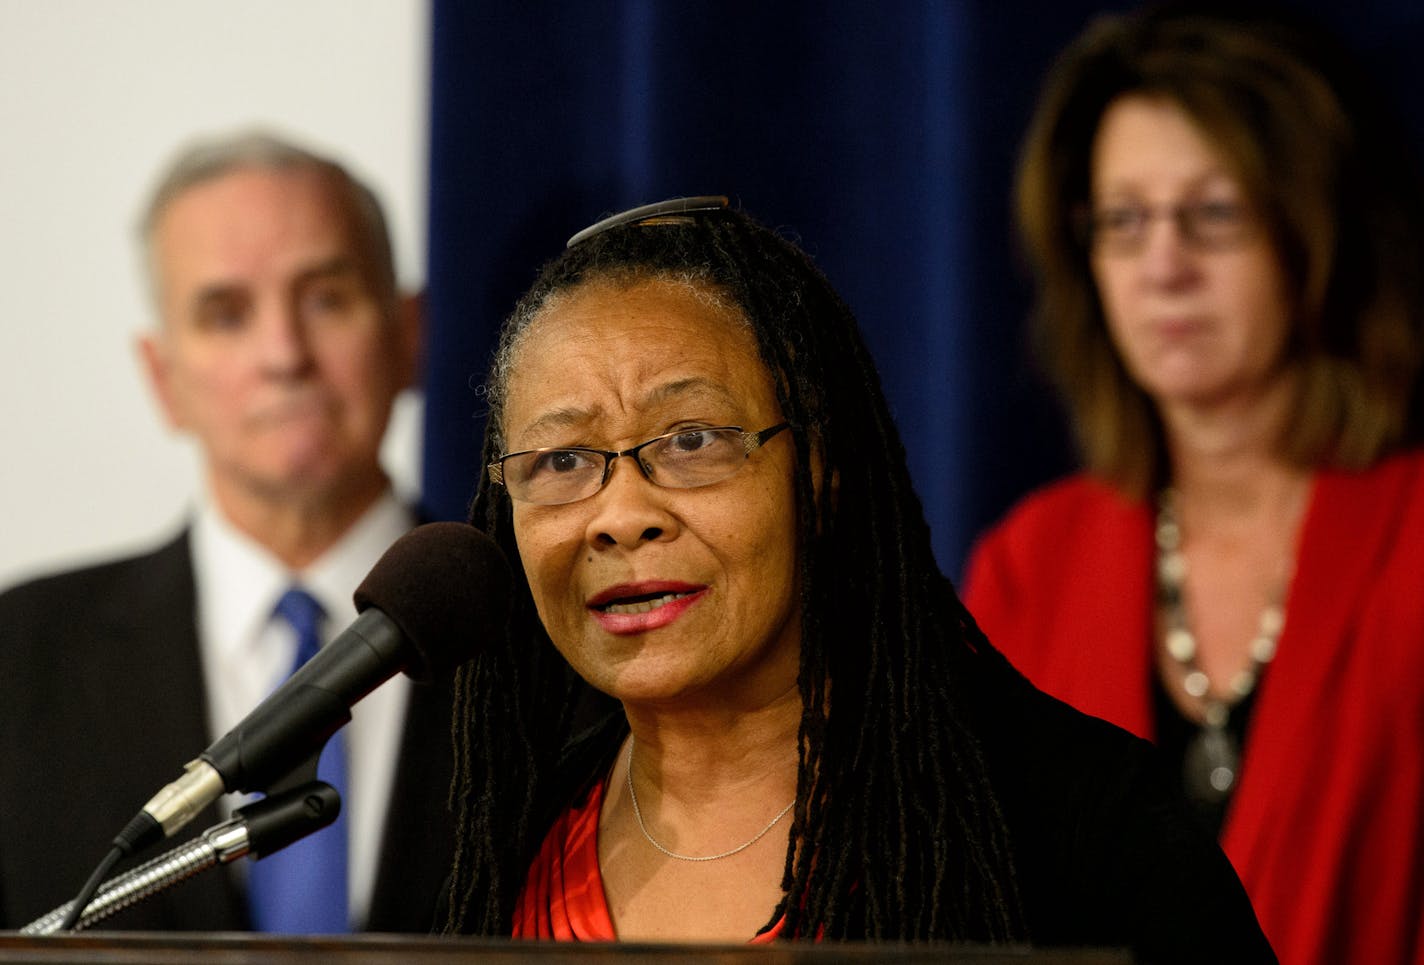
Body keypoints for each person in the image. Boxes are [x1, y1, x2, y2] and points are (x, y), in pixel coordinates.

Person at [438, 195, 1274, 960]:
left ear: (822, 464)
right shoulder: (507, 835)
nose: (620, 513)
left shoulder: (1076, 826)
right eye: (563, 459)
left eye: (692, 441)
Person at [961, 6, 1424, 964]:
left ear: (1313, 231)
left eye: (1213, 214)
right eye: (1124, 222)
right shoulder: (1029, 566)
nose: (1164, 267)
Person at [0, 131, 452, 933]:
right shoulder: (17, 656)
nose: (284, 354)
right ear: (162, 378)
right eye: (226, 313)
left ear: (409, 333)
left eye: (325, 298)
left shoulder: (549, 633)